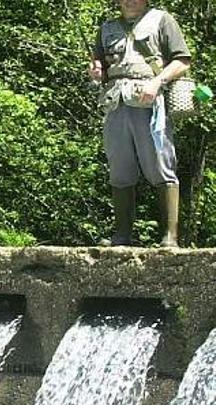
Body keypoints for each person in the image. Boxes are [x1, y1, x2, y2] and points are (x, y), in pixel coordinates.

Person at [89, 0, 192, 247]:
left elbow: (182, 61)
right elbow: (99, 64)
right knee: (119, 169)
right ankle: (122, 236)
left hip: (151, 102)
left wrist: (157, 82)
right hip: (116, 103)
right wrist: (95, 71)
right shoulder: (107, 28)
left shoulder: (161, 20)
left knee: (160, 164)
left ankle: (170, 237)